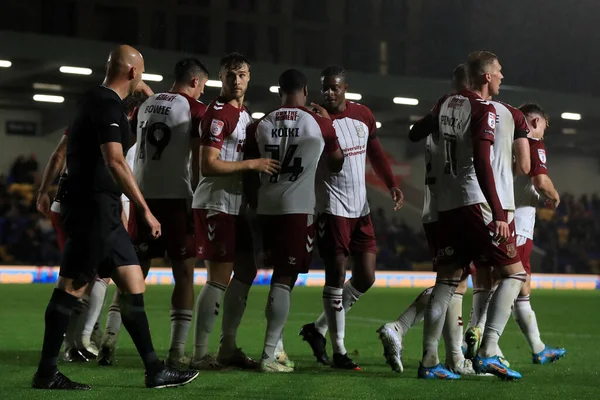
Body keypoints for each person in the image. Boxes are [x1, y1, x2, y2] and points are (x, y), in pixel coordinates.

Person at [31, 44, 198, 390]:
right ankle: (46, 373)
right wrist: (144, 209)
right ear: (134, 73)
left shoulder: (94, 99)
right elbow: (115, 160)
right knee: (72, 286)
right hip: (92, 208)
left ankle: (155, 370)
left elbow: (70, 151)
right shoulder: (107, 104)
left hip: (103, 208)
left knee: (133, 283)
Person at [414, 51, 526, 380]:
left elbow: (413, 133)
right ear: (486, 77)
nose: (503, 76)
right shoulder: (484, 110)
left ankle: (429, 362)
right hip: (475, 203)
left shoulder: (445, 104)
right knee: (515, 274)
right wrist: (500, 212)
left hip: (446, 206)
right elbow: (482, 161)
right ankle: (490, 350)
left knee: (446, 283)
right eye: (499, 71)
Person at [299, 65, 403, 370]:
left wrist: (392, 184)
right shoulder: (315, 120)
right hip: (332, 208)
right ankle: (339, 351)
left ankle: (317, 329)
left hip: (361, 210)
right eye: (325, 88)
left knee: (366, 276)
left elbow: (377, 153)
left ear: (346, 88)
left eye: (335, 87)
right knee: (336, 275)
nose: (329, 93)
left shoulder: (363, 115)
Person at [244, 69, 344, 372]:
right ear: (305, 90)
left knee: (277, 275)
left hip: (265, 207)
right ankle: (268, 354)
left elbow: (250, 171)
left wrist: (254, 203)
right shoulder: (318, 121)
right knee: (285, 278)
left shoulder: (260, 124)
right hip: (297, 209)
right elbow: (337, 163)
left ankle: (275, 349)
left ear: (279, 91)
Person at [191, 52, 279, 370]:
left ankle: (228, 347)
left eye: (242, 75)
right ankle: (200, 353)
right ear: (221, 77)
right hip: (215, 203)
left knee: (246, 271)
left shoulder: (243, 116)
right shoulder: (218, 115)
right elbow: (208, 165)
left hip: (234, 205)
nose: (237, 80)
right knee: (218, 277)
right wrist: (253, 164)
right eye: (231, 75)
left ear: (249, 77)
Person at [121, 58, 209, 368]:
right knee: (184, 273)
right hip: (175, 199)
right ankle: (176, 350)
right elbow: (198, 161)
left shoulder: (147, 105)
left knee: (133, 272)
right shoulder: (196, 110)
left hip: (142, 198)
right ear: (196, 82)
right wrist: (198, 195)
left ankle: (108, 340)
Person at [512, 103, 566, 363]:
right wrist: (555, 197)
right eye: (544, 125)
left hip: (498, 220)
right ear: (534, 123)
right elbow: (540, 181)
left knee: (520, 288)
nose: (544, 132)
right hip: (517, 226)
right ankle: (483, 345)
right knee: (509, 287)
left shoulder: (504, 143)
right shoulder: (534, 145)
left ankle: (538, 348)